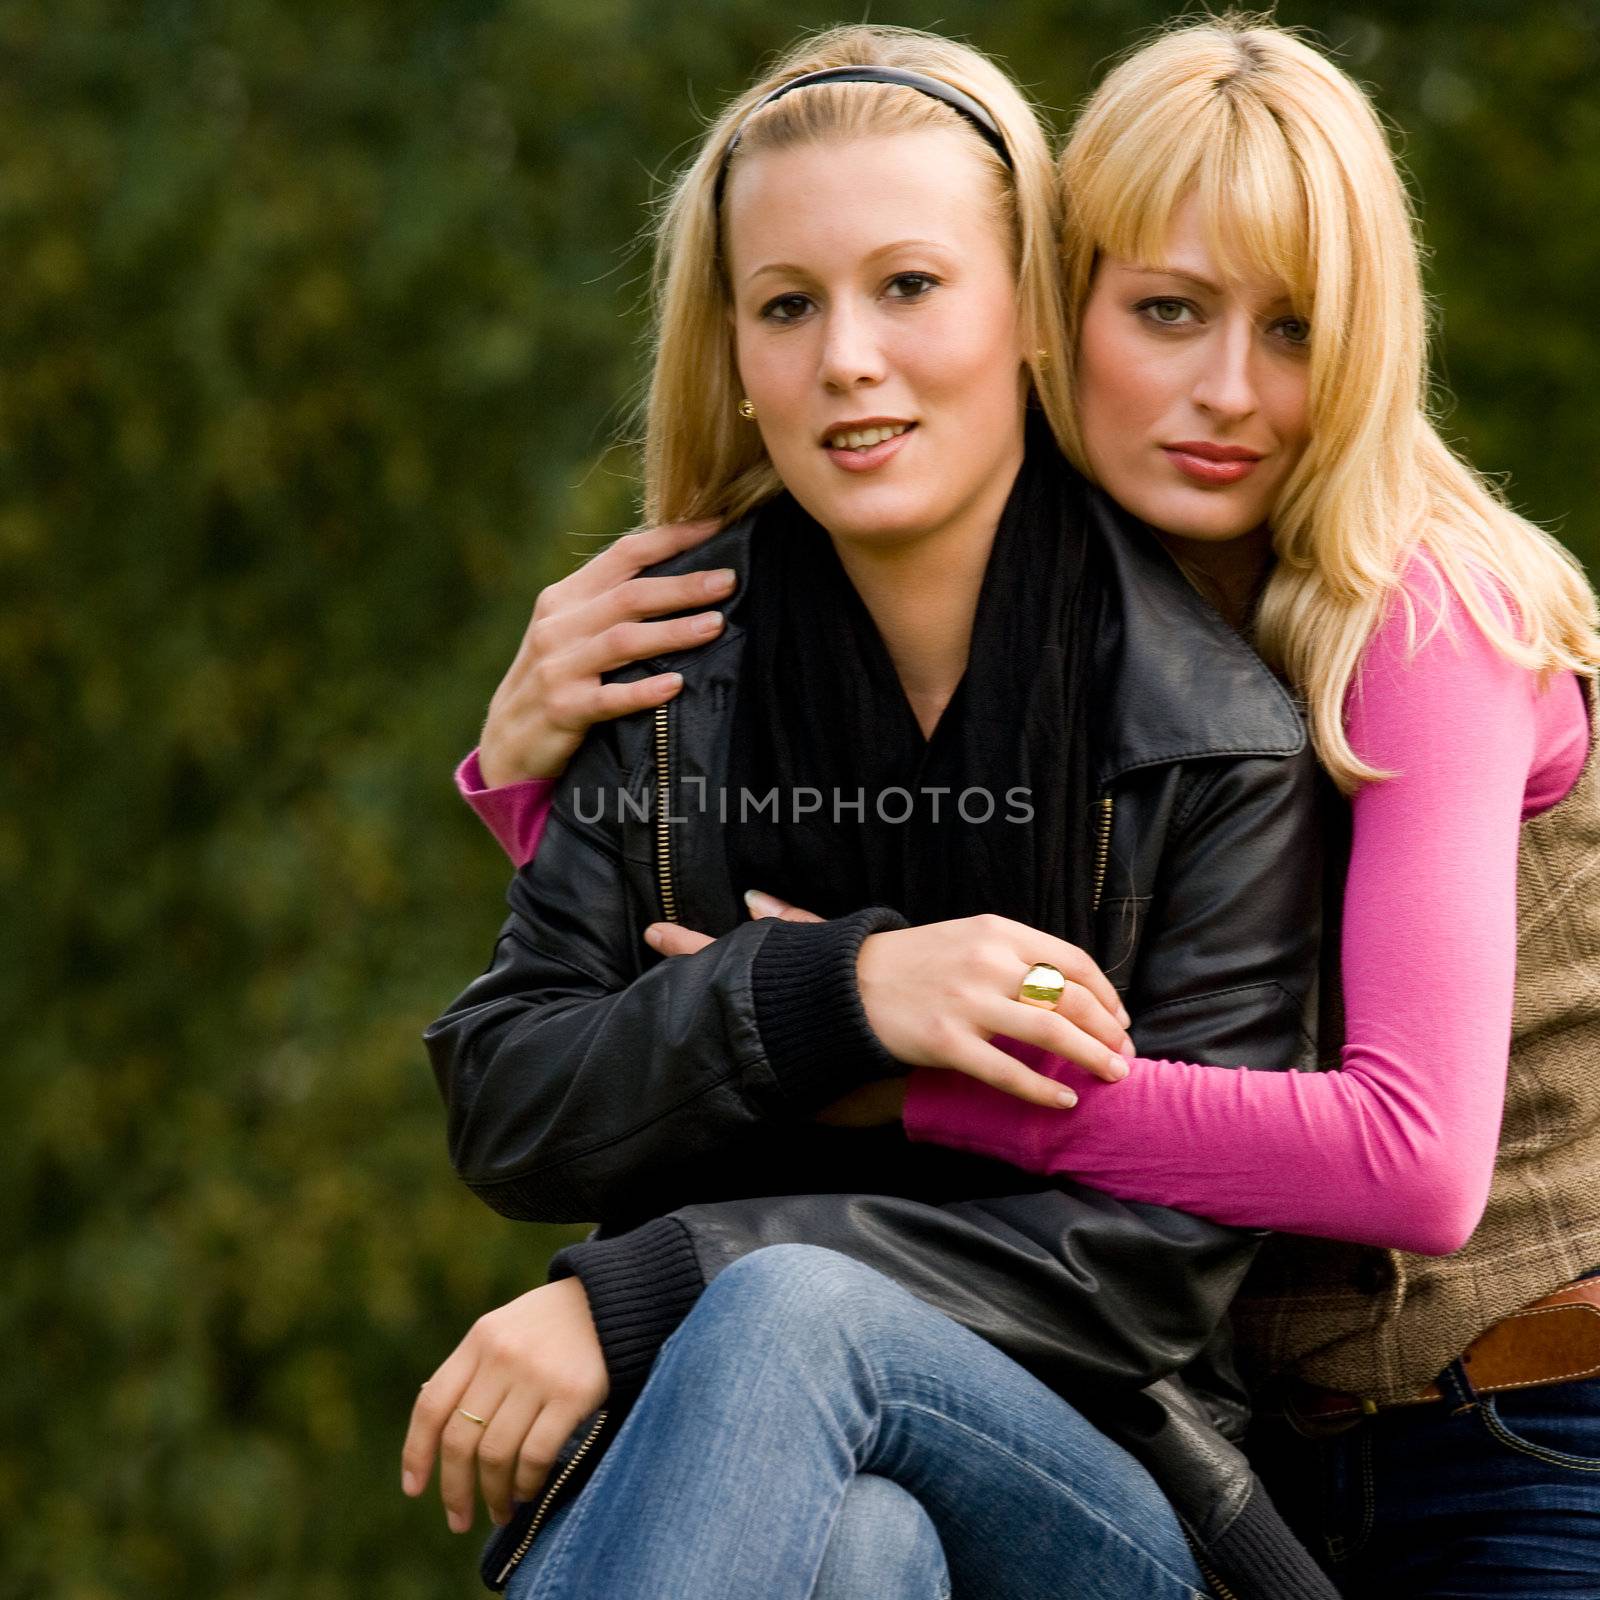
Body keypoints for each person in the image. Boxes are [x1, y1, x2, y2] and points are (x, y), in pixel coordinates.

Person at [446, 15, 1600, 1597]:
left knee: (788, 1316)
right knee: (856, 1549)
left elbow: (1411, 1159)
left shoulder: (1402, 626)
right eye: (1169, 312)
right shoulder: (860, 624)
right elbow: (609, 1011)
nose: (1226, 392)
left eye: (1294, 330)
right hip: (1247, 1442)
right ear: (1072, 311)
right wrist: (538, 787)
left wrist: (898, 1063)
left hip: (1508, 1434)